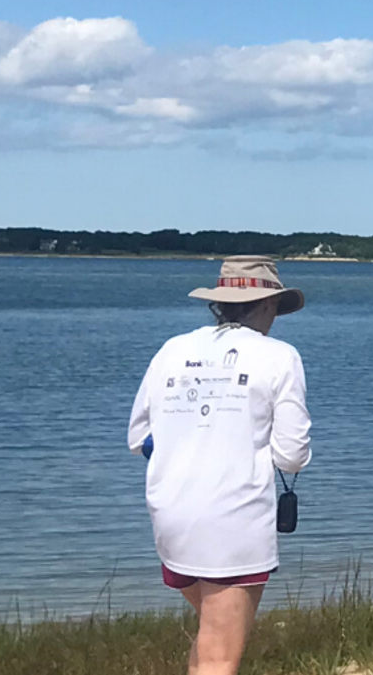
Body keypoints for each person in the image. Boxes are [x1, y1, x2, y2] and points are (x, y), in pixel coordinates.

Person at [127, 256, 312, 675]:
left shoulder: (173, 349)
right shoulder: (280, 357)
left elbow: (138, 439)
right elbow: (292, 454)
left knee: (211, 635)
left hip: (171, 513)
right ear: (266, 305)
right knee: (220, 657)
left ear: (220, 304)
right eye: (275, 310)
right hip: (233, 520)